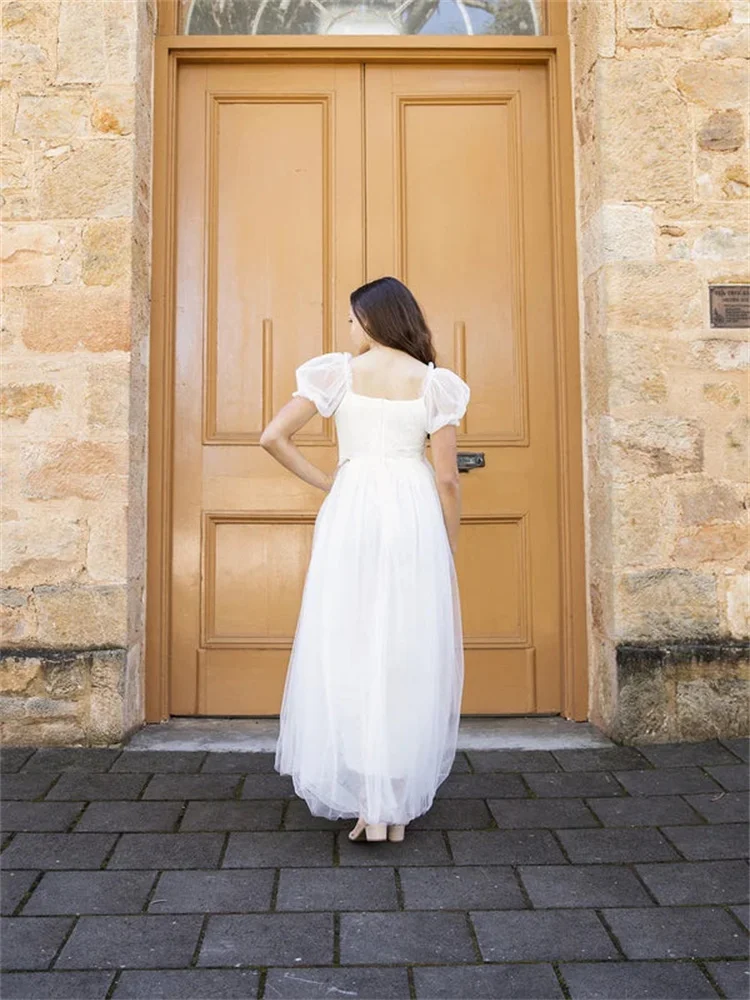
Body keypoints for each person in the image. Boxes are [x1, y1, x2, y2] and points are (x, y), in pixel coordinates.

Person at [260, 276, 470, 843]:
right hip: (413, 518)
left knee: (350, 639)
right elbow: (448, 479)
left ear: (373, 320)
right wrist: (446, 544)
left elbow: (273, 436)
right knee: (403, 646)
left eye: (353, 318)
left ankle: (371, 805)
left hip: (352, 512)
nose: (348, 329)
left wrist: (331, 482)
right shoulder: (436, 385)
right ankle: (392, 805)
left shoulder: (336, 375)